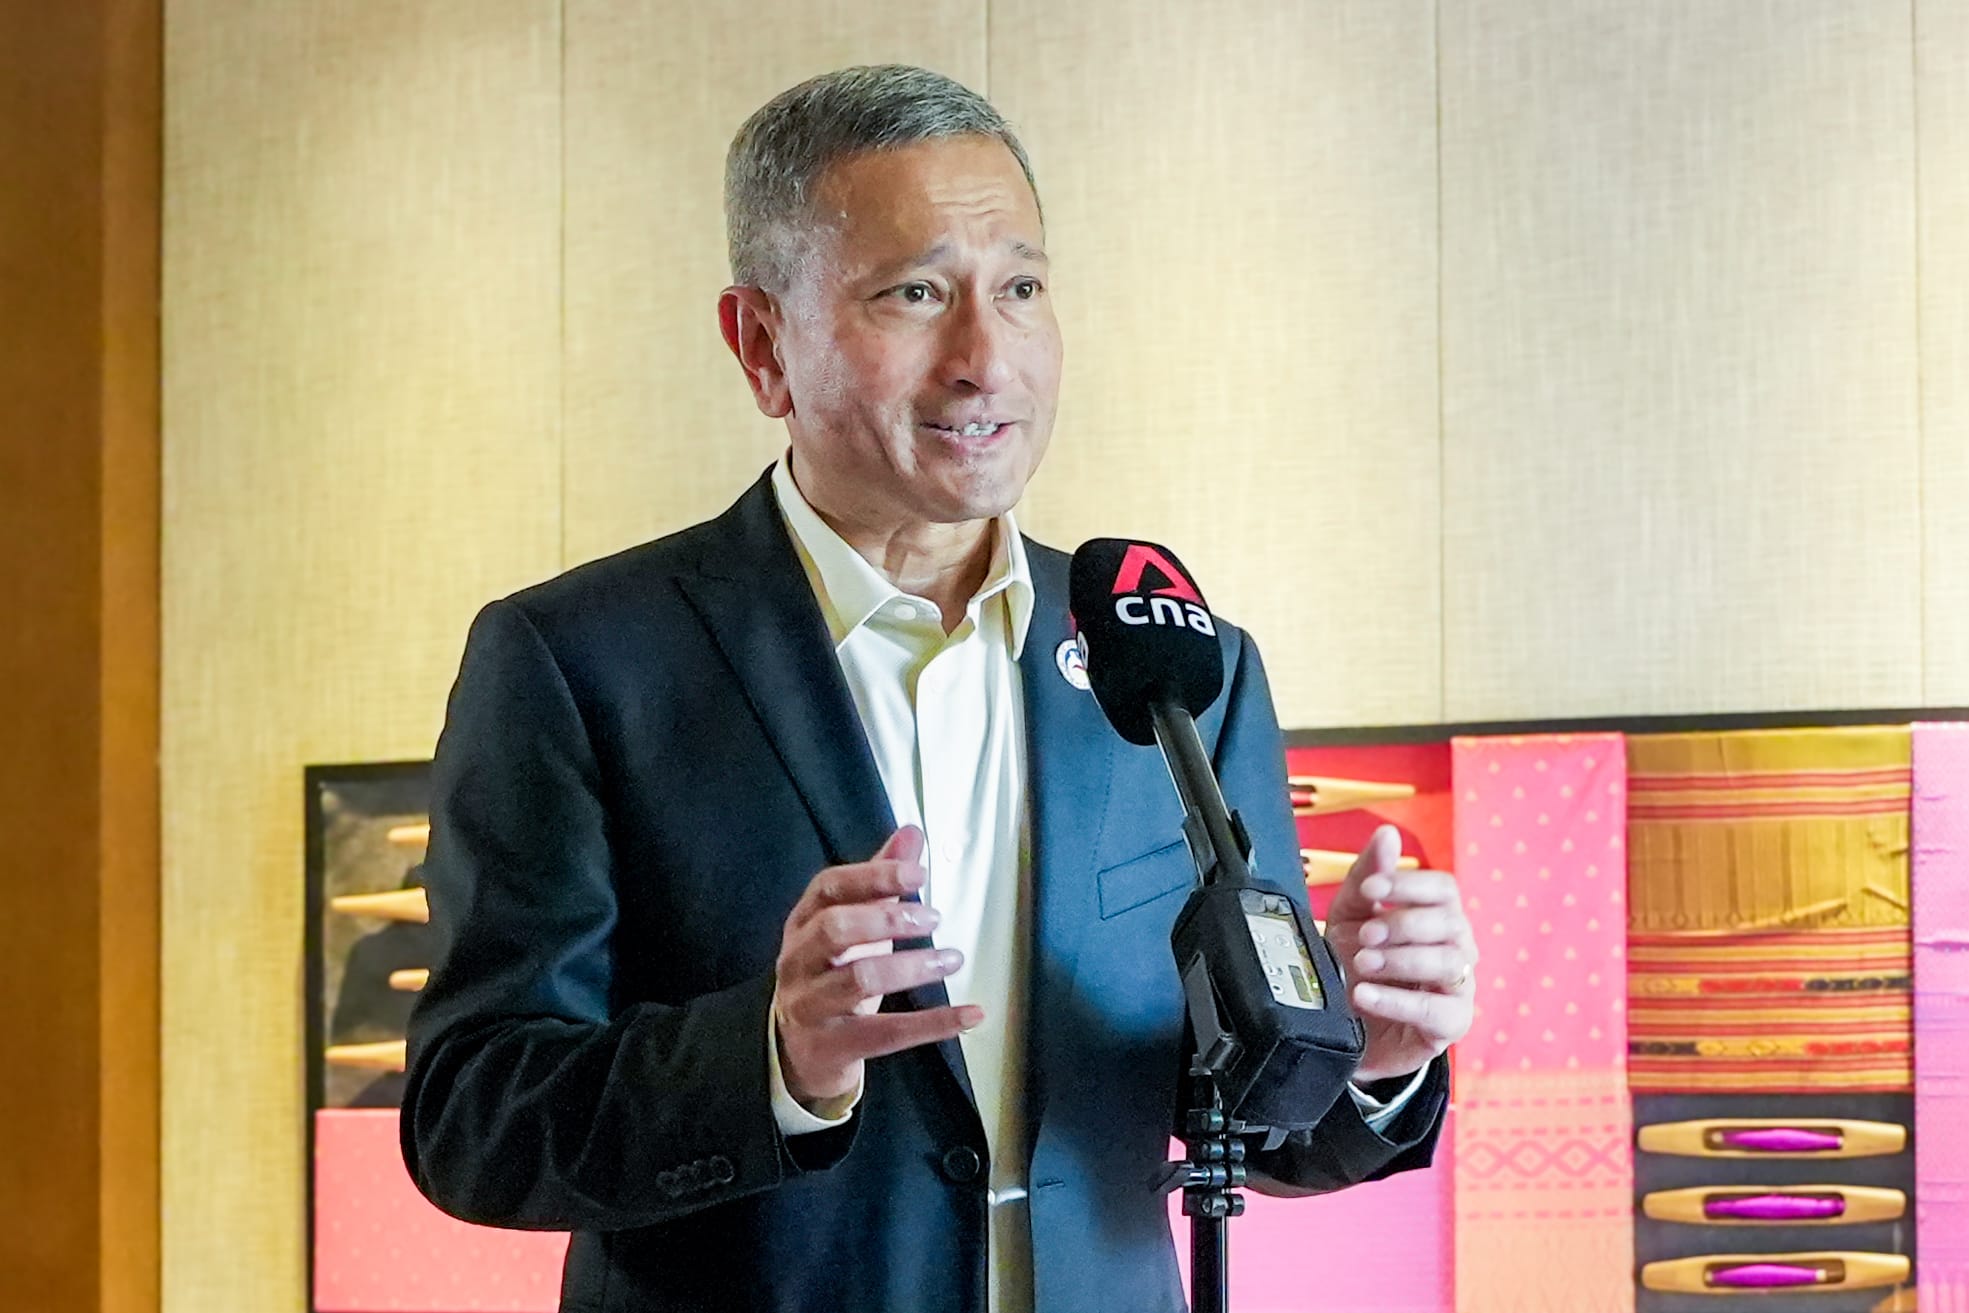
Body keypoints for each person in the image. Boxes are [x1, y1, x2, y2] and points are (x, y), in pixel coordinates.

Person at [401, 64, 1475, 1313]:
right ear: (761, 345)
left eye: (1020, 289)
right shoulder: (581, 661)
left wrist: (1370, 1058)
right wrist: (772, 1054)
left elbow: (1261, 1123)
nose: (984, 358)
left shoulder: (1179, 659)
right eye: (914, 294)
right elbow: (471, 1115)